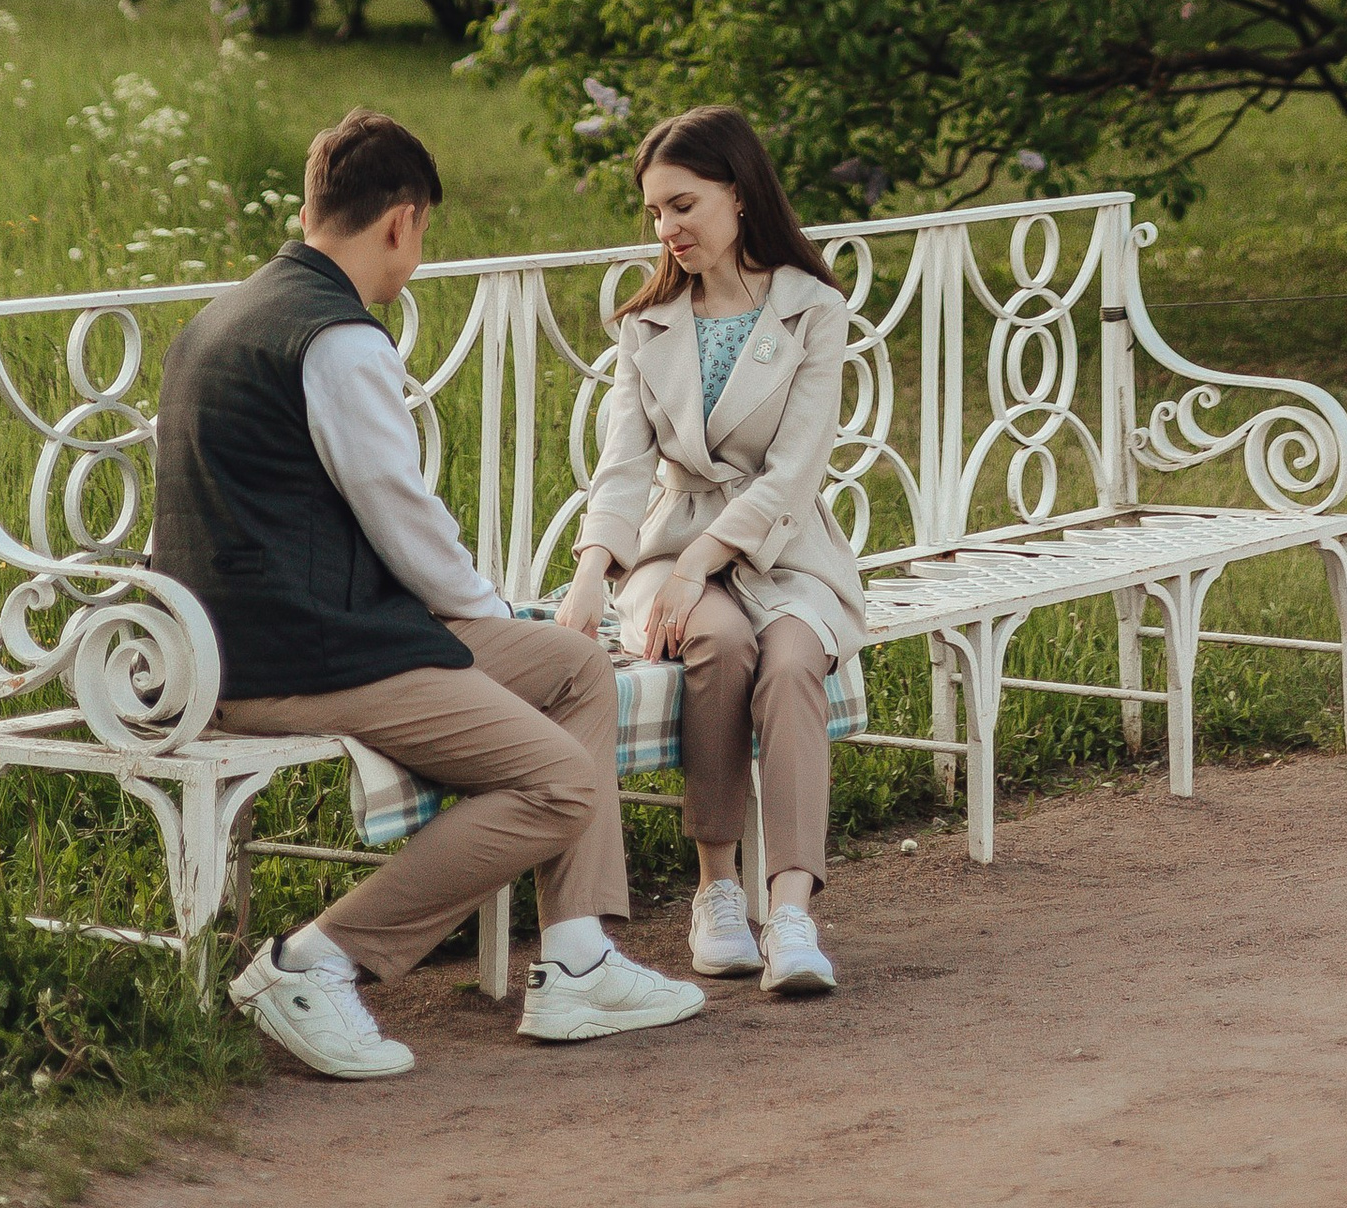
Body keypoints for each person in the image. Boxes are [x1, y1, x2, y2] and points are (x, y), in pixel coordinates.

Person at [150, 106, 704, 1079]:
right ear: (401, 220)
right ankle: (315, 963)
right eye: (420, 238)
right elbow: (401, 518)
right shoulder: (338, 340)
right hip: (303, 655)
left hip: (222, 642)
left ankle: (576, 959)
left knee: (577, 665)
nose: (411, 263)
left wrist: (493, 628)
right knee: (557, 781)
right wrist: (486, 616)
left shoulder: (226, 315)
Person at [558, 104, 865, 1000]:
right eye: (655, 213)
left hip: (787, 550)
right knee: (720, 644)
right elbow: (622, 472)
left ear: (738, 192)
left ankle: (795, 910)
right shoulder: (648, 324)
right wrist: (590, 579)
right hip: (671, 543)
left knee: (793, 657)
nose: (669, 230)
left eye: (684, 205)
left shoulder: (813, 309)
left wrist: (704, 566)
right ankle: (716, 891)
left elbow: (794, 472)